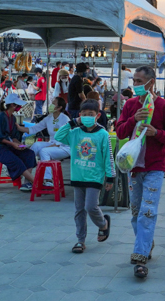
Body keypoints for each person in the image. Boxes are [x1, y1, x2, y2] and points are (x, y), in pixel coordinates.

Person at [114, 66, 165, 278]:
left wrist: (156, 132)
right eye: (134, 81)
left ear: (151, 82)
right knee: (135, 212)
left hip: (155, 166)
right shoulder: (130, 104)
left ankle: (140, 256)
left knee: (147, 210)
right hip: (134, 167)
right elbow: (120, 130)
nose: (136, 85)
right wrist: (133, 119)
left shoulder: (164, 107)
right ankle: (146, 243)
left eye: (140, 81)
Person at [55, 99, 115, 254]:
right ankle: (80, 240)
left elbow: (108, 157)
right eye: (84, 114)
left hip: (94, 177)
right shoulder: (75, 132)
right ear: (80, 115)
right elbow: (59, 136)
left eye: (91, 114)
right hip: (78, 176)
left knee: (90, 206)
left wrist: (110, 177)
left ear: (97, 116)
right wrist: (72, 122)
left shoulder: (103, 134)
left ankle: (103, 224)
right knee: (79, 210)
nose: (87, 116)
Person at [0, 93, 37, 192]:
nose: (19, 107)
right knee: (17, 161)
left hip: (9, 146)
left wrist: (20, 144)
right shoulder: (0, 117)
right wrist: (13, 144)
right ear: (13, 105)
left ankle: (27, 183)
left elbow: (14, 136)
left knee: (29, 154)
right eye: (18, 105)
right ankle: (37, 183)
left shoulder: (13, 118)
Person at [27, 96, 71, 163]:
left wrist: (55, 145)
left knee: (44, 151)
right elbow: (36, 128)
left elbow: (67, 137)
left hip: (64, 147)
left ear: (59, 108)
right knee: (36, 145)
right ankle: (27, 168)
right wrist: (20, 128)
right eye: (52, 103)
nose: (51, 105)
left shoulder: (65, 119)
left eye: (54, 103)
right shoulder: (49, 117)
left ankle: (47, 173)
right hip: (52, 143)